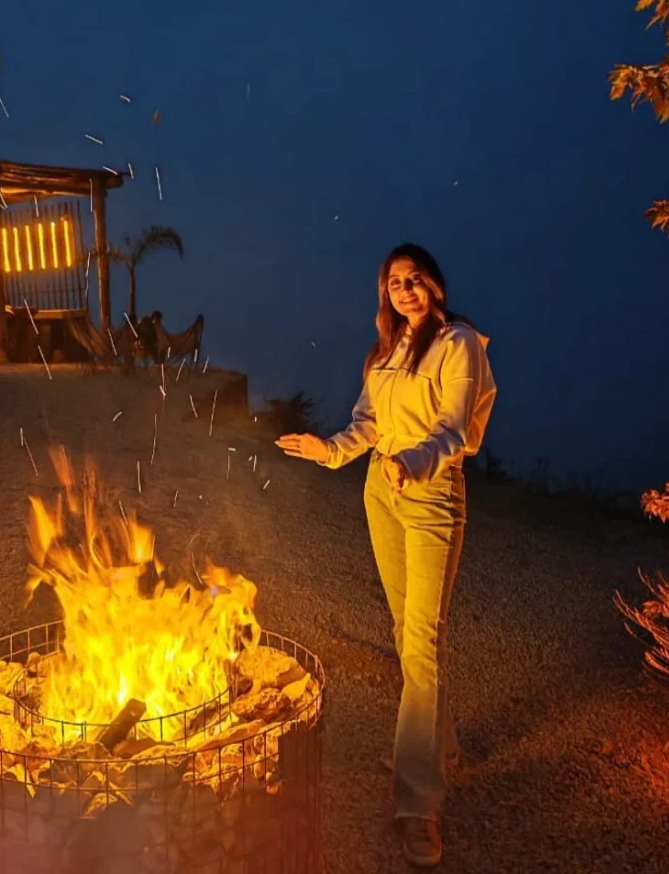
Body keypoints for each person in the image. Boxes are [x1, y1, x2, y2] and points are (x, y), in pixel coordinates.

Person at [276, 243, 496, 868]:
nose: (403, 289)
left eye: (413, 278)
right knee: (407, 633)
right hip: (382, 490)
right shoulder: (387, 351)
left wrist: (413, 462)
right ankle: (437, 747)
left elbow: (453, 431)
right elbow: (366, 424)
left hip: (430, 493)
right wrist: (328, 450)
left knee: (424, 641)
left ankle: (418, 804)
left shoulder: (459, 345)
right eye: (394, 282)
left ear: (435, 284)